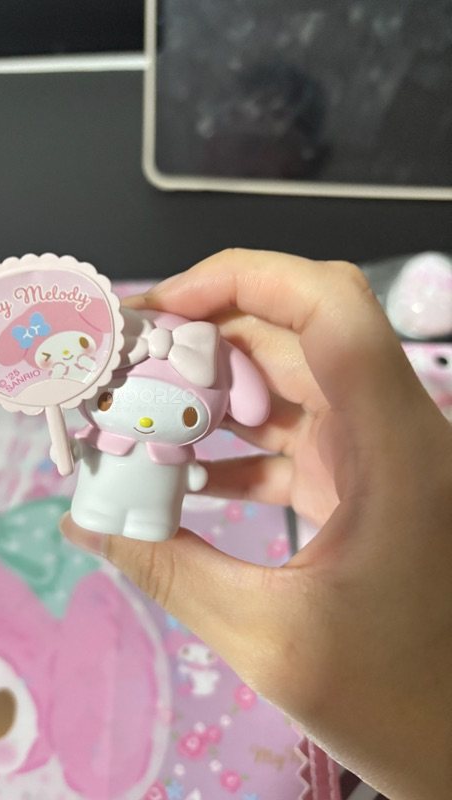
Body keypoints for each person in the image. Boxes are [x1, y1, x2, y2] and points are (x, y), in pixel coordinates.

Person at [60, 249, 452, 800]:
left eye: (186, 414)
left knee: (147, 519)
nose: (145, 419)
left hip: (155, 495)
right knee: (108, 509)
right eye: (110, 399)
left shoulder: (207, 378)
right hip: (106, 479)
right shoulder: (112, 418)